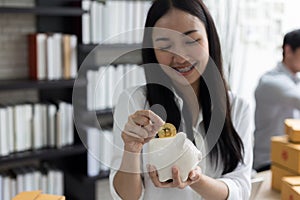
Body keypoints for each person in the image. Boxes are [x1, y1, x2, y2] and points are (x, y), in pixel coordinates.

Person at [109, 0, 253, 199]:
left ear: (209, 39)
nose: (180, 57)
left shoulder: (238, 107)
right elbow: (125, 196)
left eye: (191, 41)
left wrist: (196, 179)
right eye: (165, 46)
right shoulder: (135, 103)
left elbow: (241, 189)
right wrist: (131, 150)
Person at [253, 29, 300, 172]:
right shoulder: (272, 82)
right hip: (269, 164)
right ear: (288, 50)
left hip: (291, 162)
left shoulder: (295, 80)